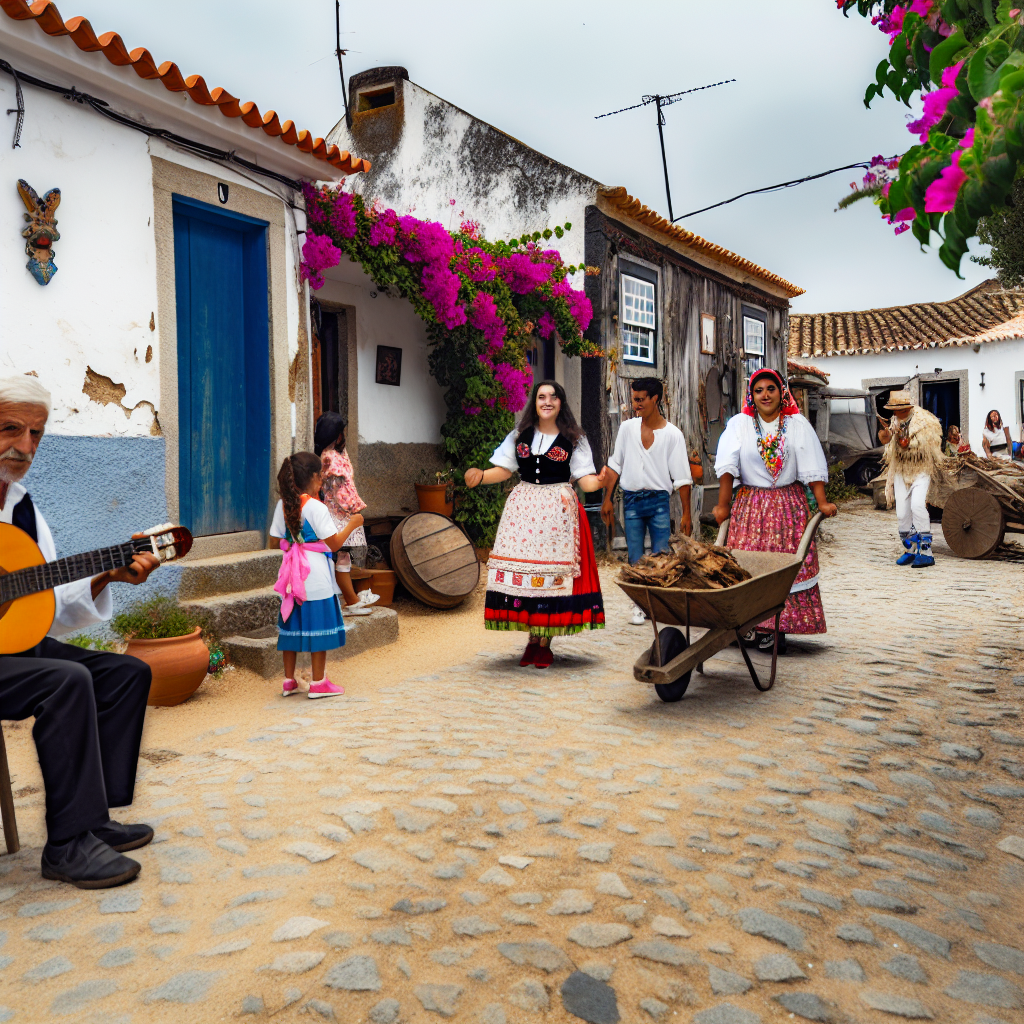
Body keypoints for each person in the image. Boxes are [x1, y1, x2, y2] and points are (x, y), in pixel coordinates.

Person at [0, 376, 160, 889]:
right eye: (10, 429)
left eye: (36, 435)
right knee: (66, 679)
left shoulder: (24, 511)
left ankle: (90, 820)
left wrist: (108, 574)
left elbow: (52, 605)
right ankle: (66, 847)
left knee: (124, 672)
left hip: (11, 650)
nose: (25, 447)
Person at [465, 380, 605, 667]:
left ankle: (544, 642)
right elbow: (504, 471)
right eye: (542, 396)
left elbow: (585, 481)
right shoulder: (520, 435)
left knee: (550, 578)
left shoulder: (575, 438)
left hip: (558, 512)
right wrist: (480, 475)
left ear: (561, 403)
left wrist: (601, 481)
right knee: (528, 576)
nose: (547, 401)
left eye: (553, 397)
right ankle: (532, 641)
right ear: (535, 401)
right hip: (524, 511)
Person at [713, 368, 837, 655]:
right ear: (751, 396)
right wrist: (722, 505)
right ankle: (747, 624)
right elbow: (727, 469)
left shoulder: (796, 424)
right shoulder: (739, 424)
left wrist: (821, 502)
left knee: (783, 567)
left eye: (770, 389)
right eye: (758, 390)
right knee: (747, 565)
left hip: (787, 506)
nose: (765, 395)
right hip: (750, 507)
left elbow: (811, 465)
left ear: (781, 393)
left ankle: (776, 627)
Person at [600, 377, 693, 626]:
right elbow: (615, 465)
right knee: (636, 557)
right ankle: (639, 605)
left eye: (641, 400)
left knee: (662, 555)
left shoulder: (673, 435)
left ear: (655, 399)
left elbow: (683, 477)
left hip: (659, 502)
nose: (636, 405)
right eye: (634, 400)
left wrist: (686, 514)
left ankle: (660, 604)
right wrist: (607, 499)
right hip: (631, 501)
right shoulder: (627, 429)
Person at [271, 452, 363, 698]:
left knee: (292, 626)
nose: (321, 483)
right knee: (317, 629)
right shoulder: (316, 507)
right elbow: (333, 544)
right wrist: (353, 523)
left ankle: (289, 681)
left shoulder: (283, 505)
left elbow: (274, 541)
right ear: (312, 477)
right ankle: (319, 682)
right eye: (320, 478)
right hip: (315, 575)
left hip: (292, 575)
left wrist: (294, 543)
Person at [313, 412, 380, 617]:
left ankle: (351, 599)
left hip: (338, 514)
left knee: (342, 560)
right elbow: (340, 492)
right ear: (337, 435)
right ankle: (351, 600)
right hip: (339, 516)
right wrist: (355, 508)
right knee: (342, 558)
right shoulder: (331, 458)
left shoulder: (332, 453)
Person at [877, 389, 945, 567]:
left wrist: (908, 444)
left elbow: (931, 445)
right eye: (893, 409)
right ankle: (910, 549)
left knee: (917, 505)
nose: (895, 413)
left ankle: (926, 552)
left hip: (921, 469)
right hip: (901, 469)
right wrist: (886, 437)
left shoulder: (925, 421)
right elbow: (887, 441)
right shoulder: (894, 420)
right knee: (902, 513)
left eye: (897, 409)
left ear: (906, 407)